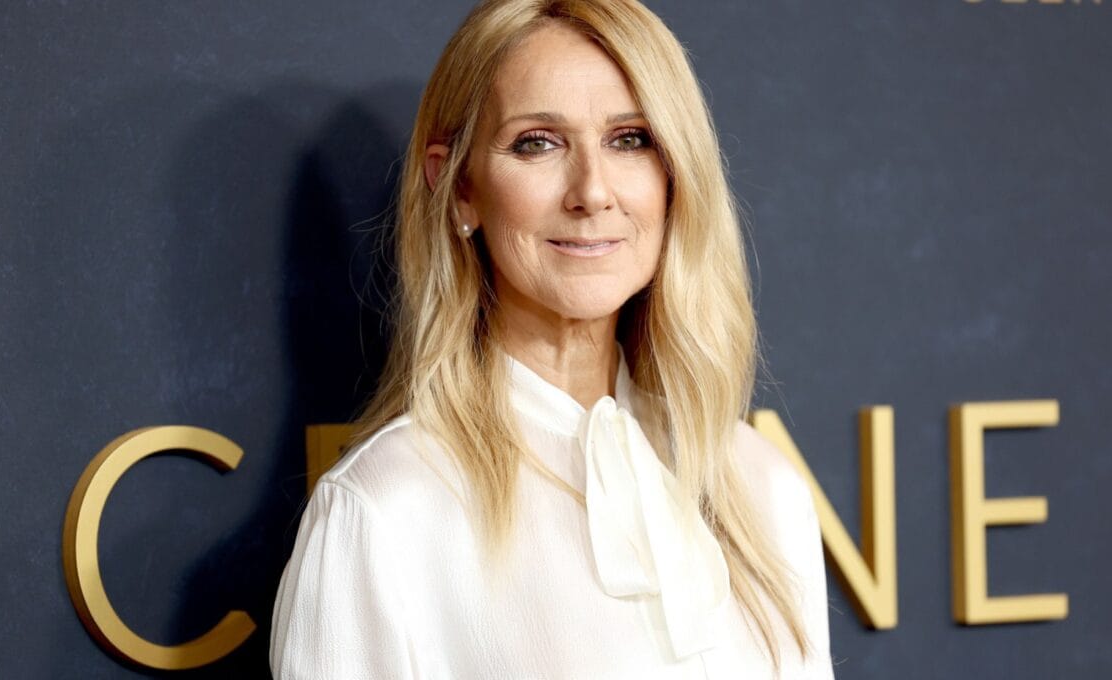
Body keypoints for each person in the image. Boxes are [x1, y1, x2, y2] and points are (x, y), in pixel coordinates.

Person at [270, 0, 834, 677]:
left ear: (674, 175)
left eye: (630, 139)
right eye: (538, 142)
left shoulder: (760, 484)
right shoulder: (385, 512)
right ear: (460, 188)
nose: (592, 191)